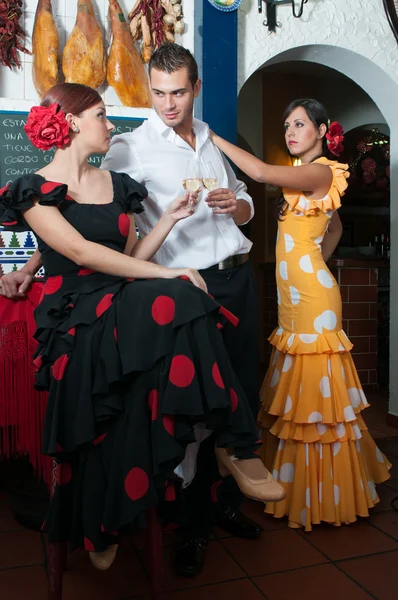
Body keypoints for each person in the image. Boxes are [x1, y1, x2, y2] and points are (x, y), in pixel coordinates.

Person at [0, 43, 263, 575]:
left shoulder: (142, 171)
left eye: (177, 92)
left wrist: (172, 218)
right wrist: (30, 270)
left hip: (147, 293)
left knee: (208, 345)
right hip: (85, 310)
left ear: (194, 91)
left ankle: (230, 456)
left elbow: (124, 251)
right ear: (71, 122)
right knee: (181, 297)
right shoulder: (60, 176)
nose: (112, 122)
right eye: (101, 115)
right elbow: (77, 250)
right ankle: (222, 461)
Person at [210, 98, 392, 531]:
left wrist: (211, 137)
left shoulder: (323, 170)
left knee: (316, 400)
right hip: (298, 298)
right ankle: (293, 484)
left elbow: (259, 173)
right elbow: (337, 226)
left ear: (321, 129)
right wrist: (317, 259)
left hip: (313, 302)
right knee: (300, 398)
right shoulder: (305, 180)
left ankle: (321, 495)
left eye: (300, 124)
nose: (291, 131)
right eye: (287, 124)